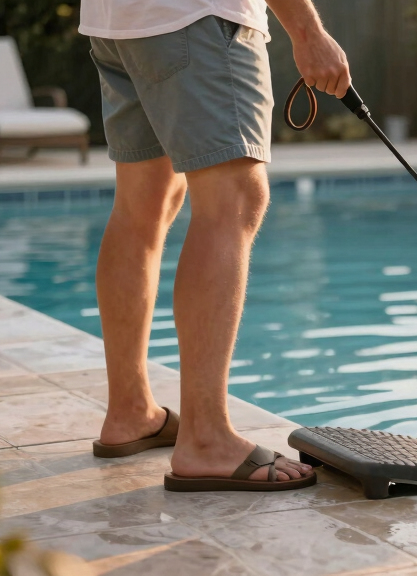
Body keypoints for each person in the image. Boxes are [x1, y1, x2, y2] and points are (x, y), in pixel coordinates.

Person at [80, 0, 350, 490]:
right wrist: (308, 32)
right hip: (198, 17)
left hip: (117, 19)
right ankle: (205, 438)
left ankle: (131, 411)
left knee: (144, 207)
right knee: (234, 199)